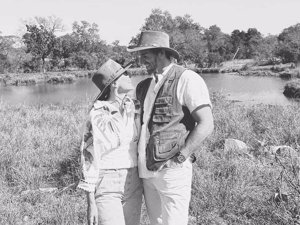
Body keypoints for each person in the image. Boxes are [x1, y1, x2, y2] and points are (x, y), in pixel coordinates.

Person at [127, 31, 214, 225]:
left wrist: (181, 157)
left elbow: (207, 123)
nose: (142, 60)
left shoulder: (187, 79)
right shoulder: (143, 86)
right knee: (156, 222)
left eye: (145, 54)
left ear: (161, 53)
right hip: (146, 171)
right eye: (140, 55)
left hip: (172, 171)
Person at [77, 59, 143, 225]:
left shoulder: (133, 107)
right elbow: (89, 156)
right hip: (107, 182)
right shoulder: (97, 114)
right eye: (125, 74)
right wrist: (90, 202)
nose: (130, 76)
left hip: (134, 180)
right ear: (114, 84)